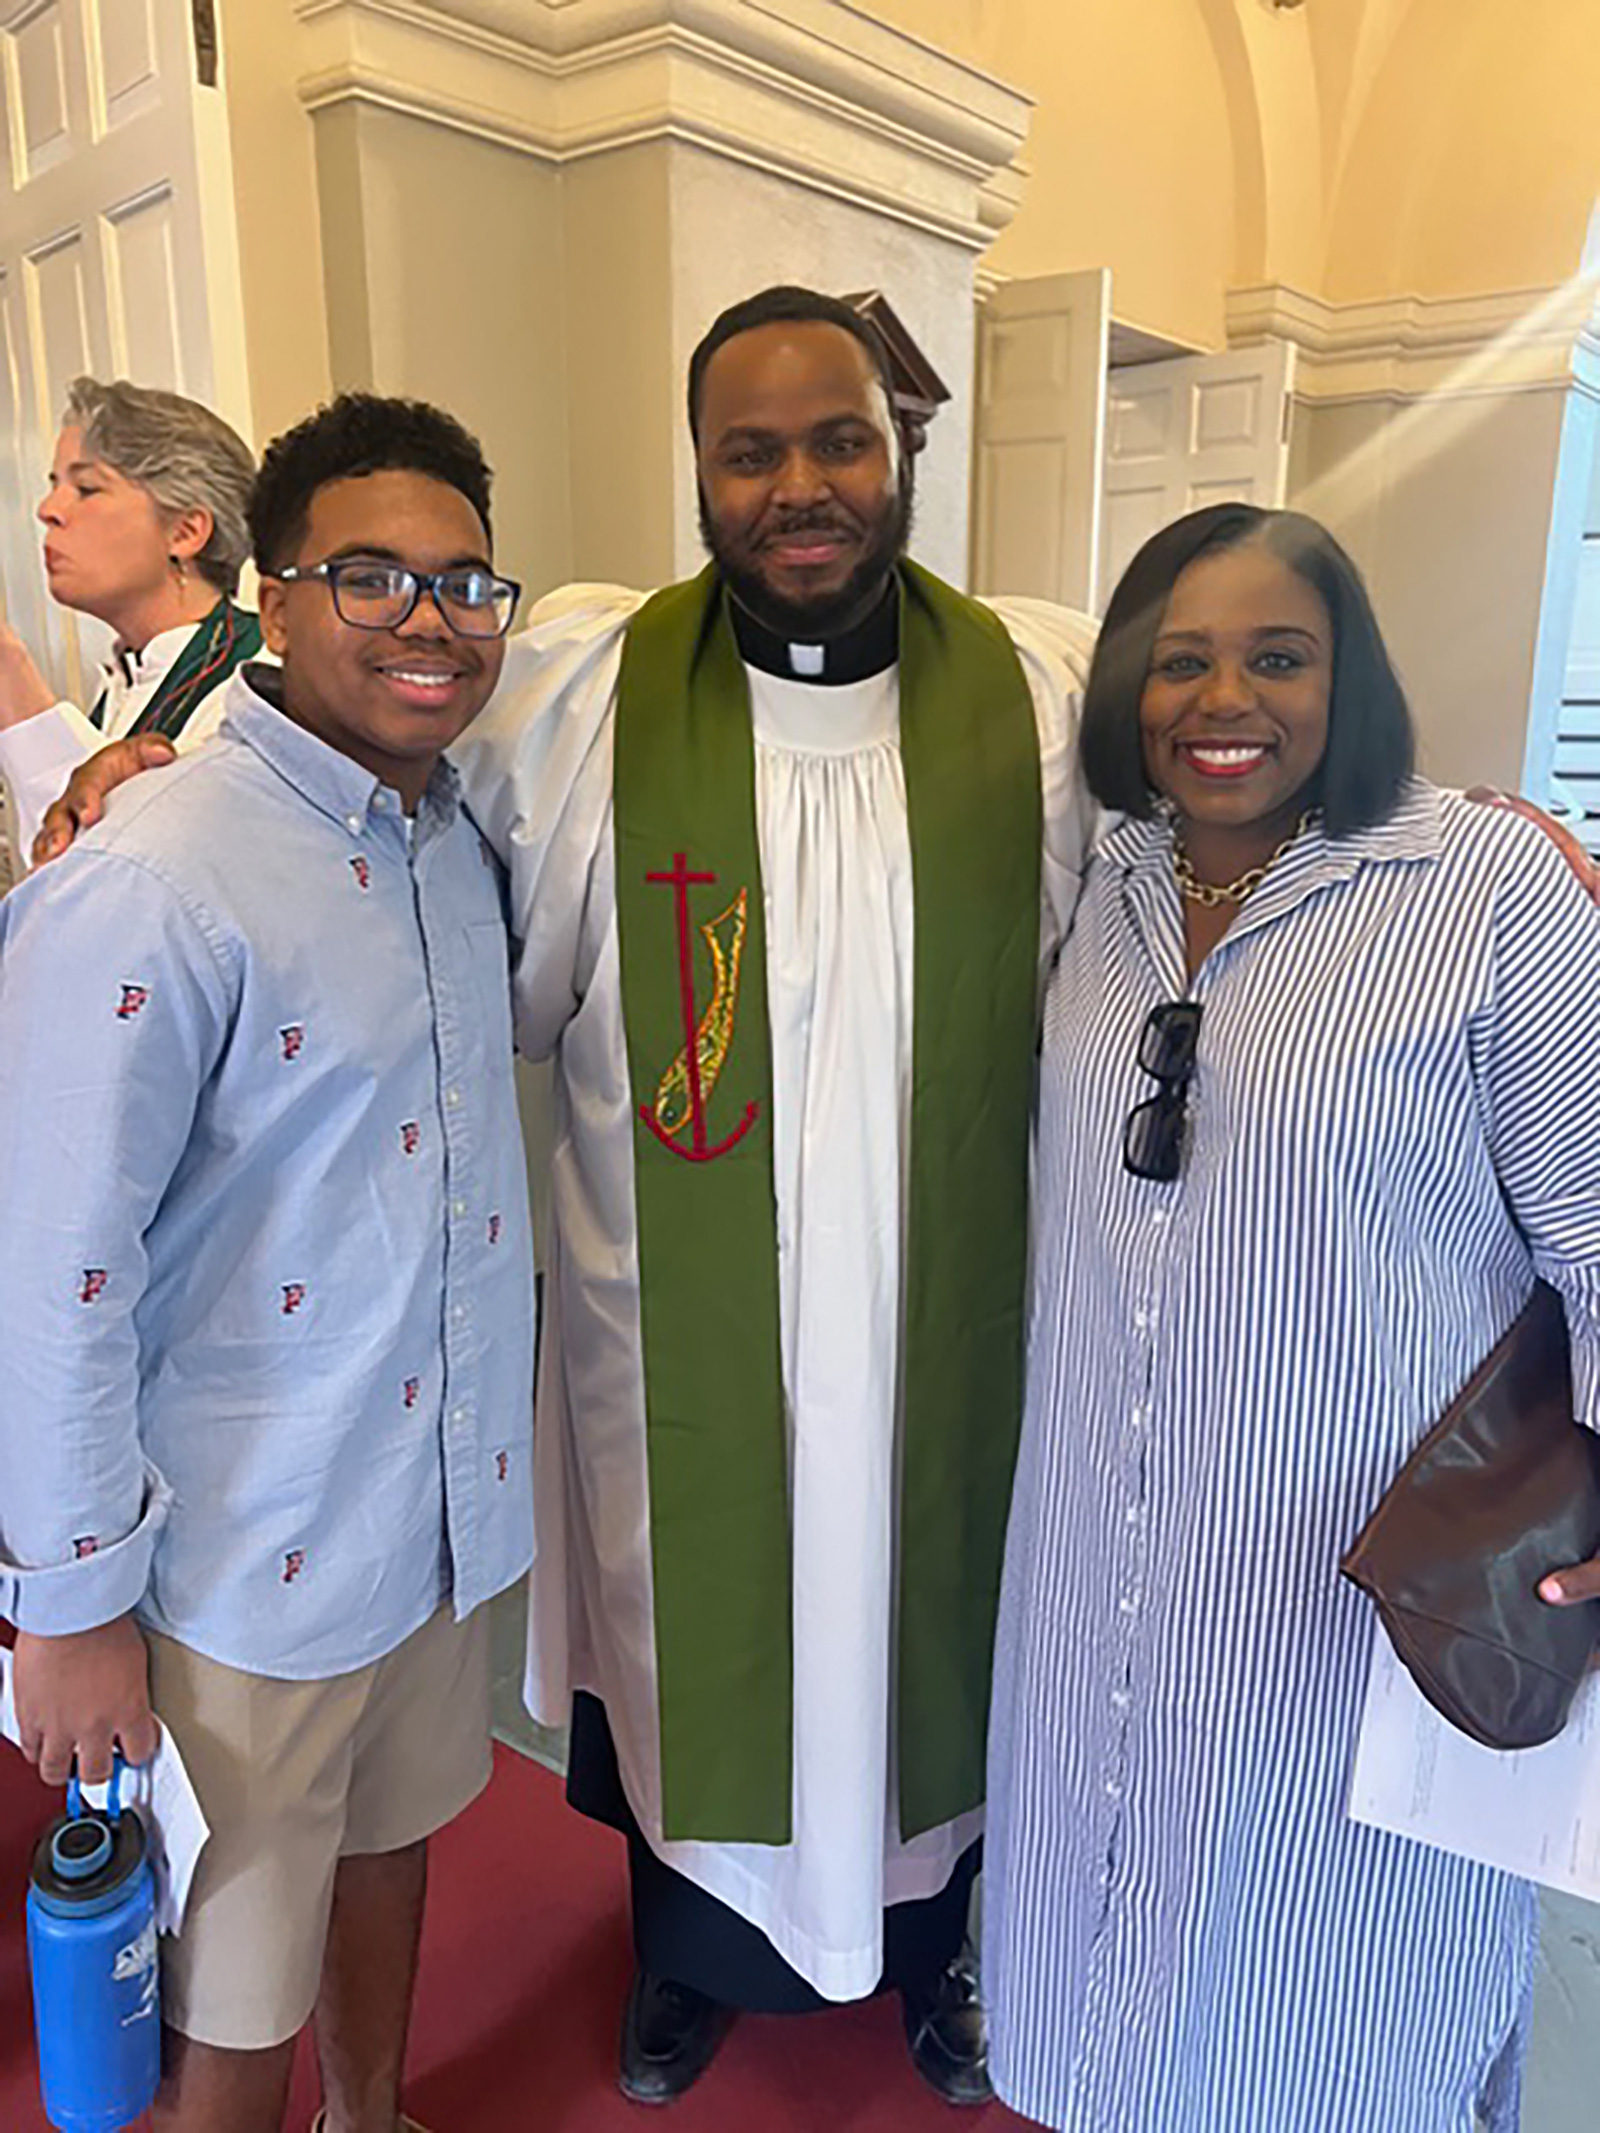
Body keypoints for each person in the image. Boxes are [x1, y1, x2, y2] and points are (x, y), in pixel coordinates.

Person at [31, 285, 1098, 2108]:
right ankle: (693, 1962)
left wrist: (1481, 824)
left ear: (901, 445)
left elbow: (1235, 793)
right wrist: (149, 765)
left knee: (923, 1629)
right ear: (697, 475)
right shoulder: (592, 688)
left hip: (941, 1316)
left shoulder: (1041, 687)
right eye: (749, 452)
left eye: (838, 438)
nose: (799, 484)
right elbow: (353, 751)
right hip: (657, 1333)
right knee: (686, 1650)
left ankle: (943, 1951)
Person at [982, 502, 1600, 2133]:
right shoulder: (1096, 887)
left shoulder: (1480, 886)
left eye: (1277, 655)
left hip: (1342, 1592)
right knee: (1097, 1968)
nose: (1222, 697)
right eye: (1179, 660)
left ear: (1352, 677)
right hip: (1091, 1574)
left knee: (1331, 2015)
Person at [0, 393, 535, 2133]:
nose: (428, 618)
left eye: (465, 582)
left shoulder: (456, 837)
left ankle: (372, 2115)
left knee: (391, 1852)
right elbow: (49, 1256)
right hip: (239, 1555)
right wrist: (67, 1597)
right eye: (369, 575)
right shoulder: (160, 870)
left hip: (431, 1505)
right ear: (276, 594)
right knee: (229, 1995)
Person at [0, 377, 259, 861]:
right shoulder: (127, 684)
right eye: (55, 485)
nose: (47, 510)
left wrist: (7, 670)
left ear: (185, 532)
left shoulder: (256, 689)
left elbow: (112, 876)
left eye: (86, 488)